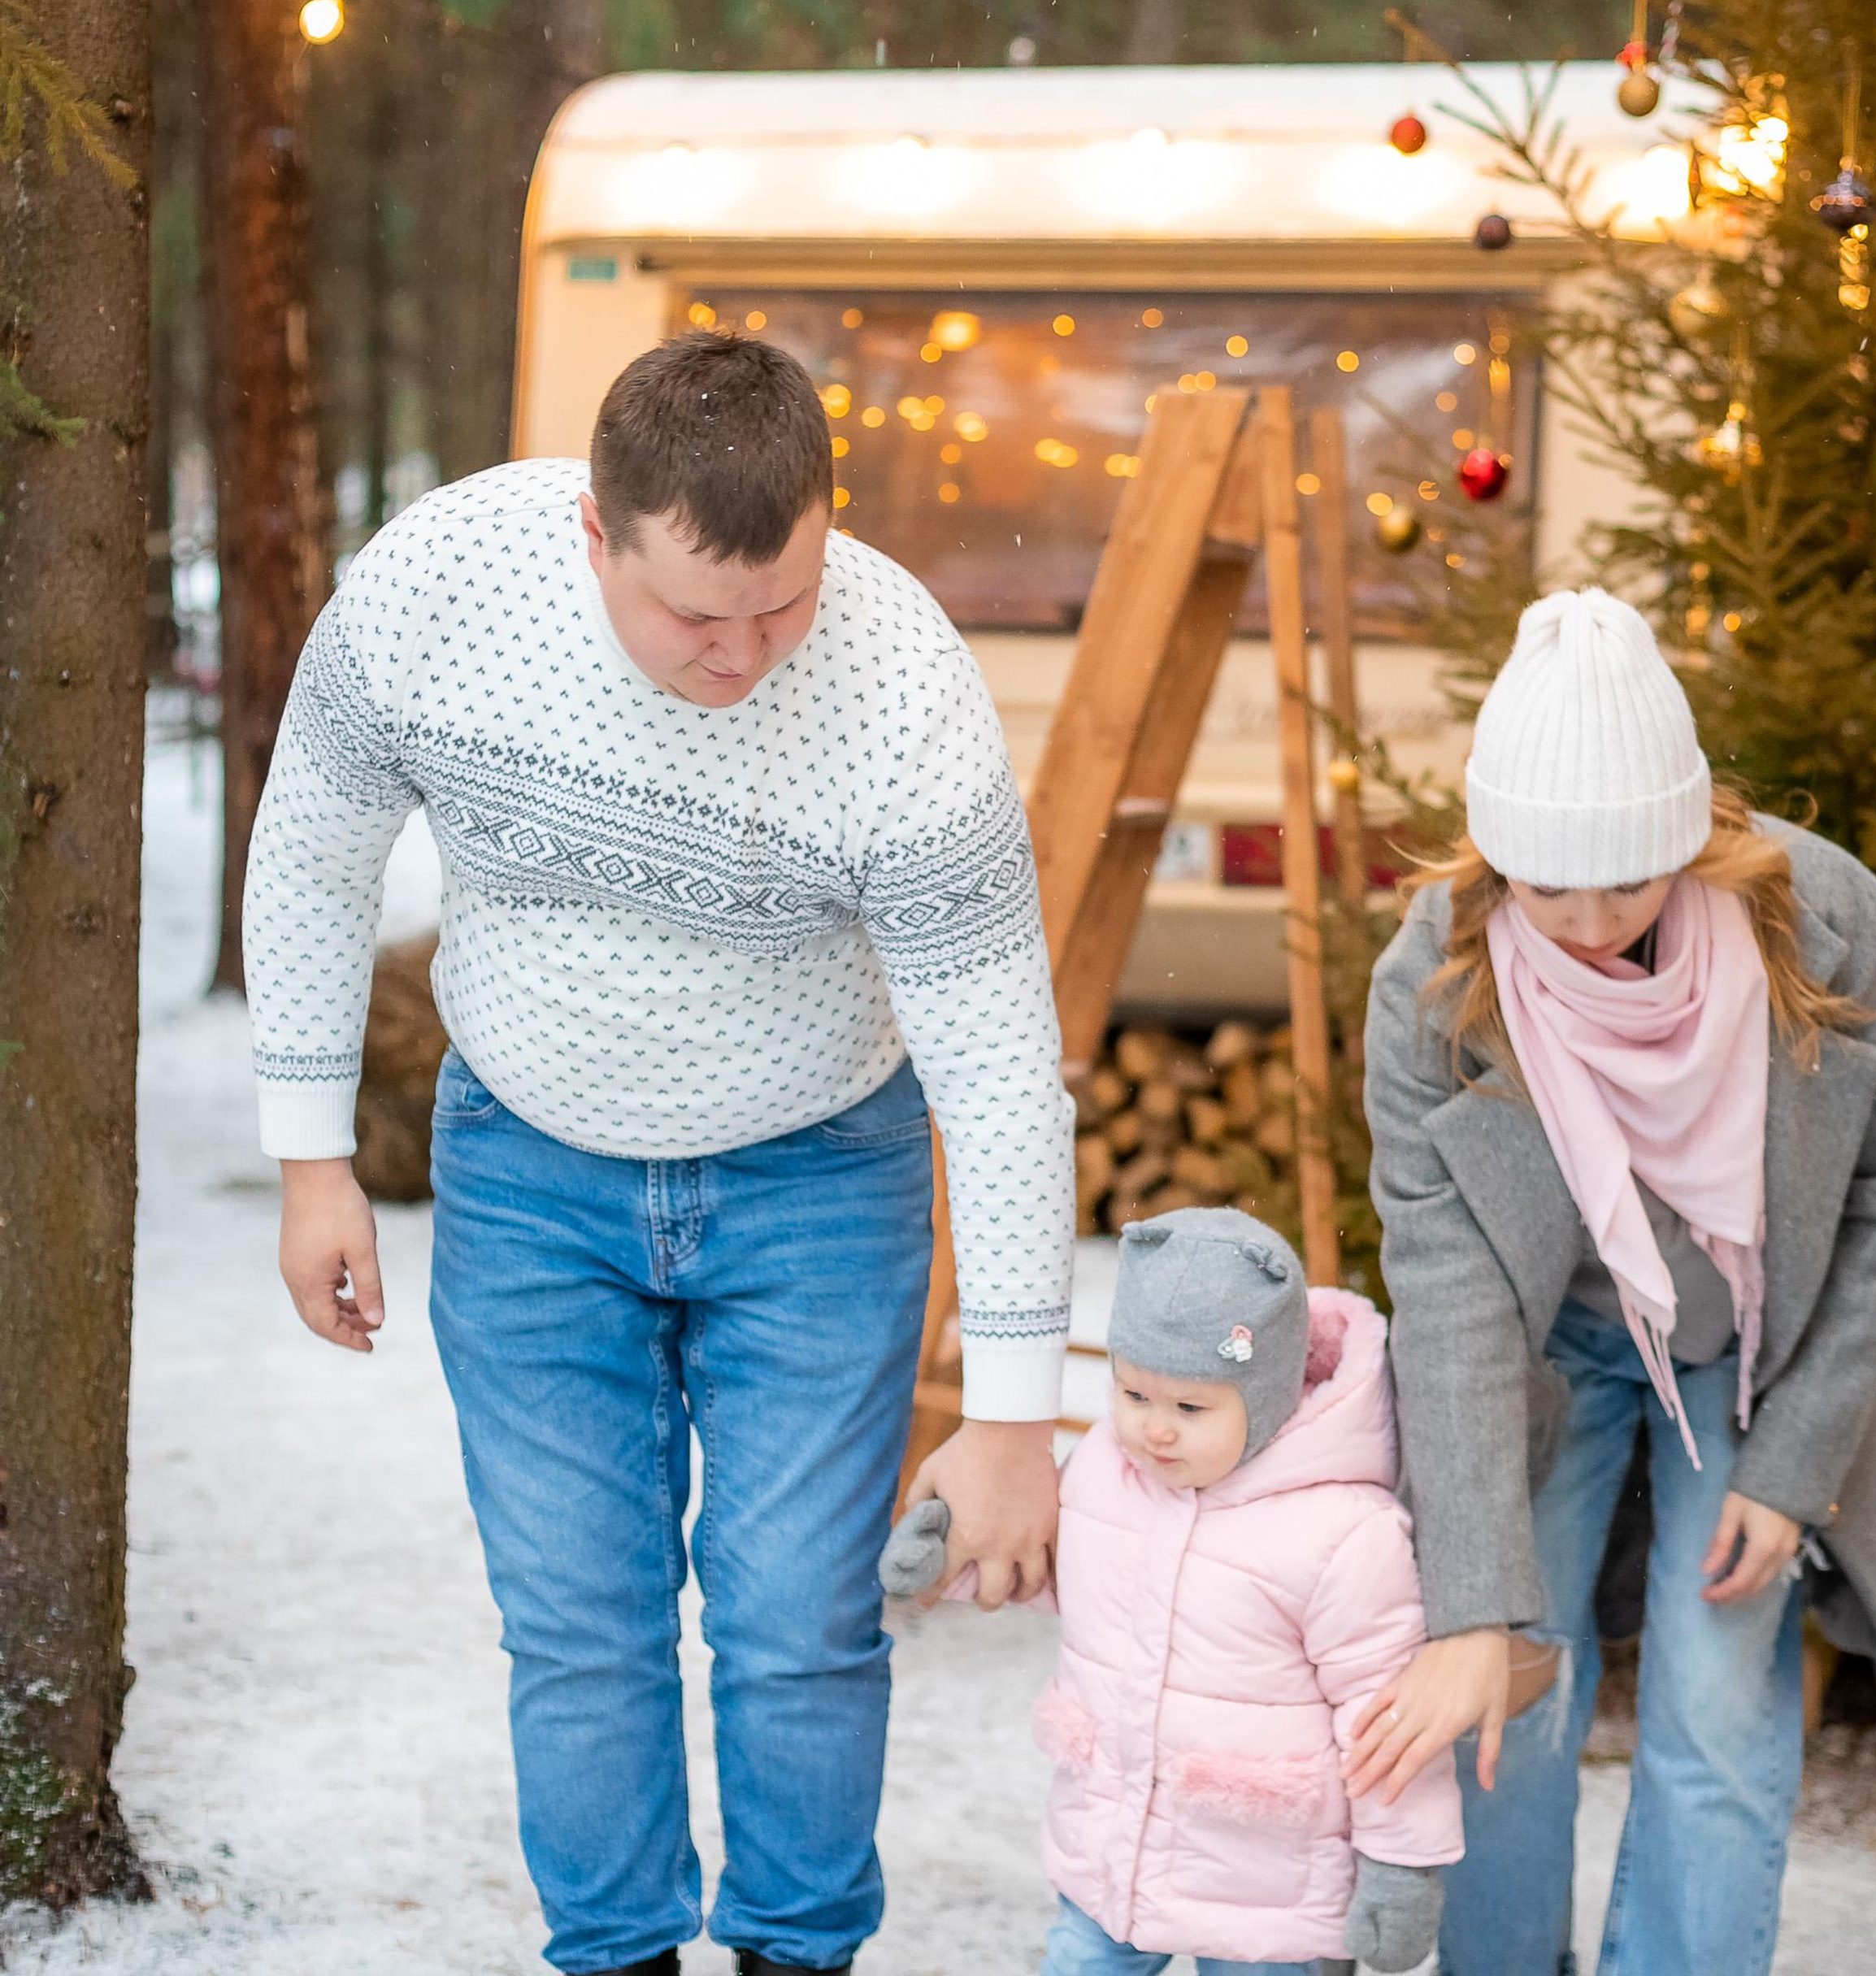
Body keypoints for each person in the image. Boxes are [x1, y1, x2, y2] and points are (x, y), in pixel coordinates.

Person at [242, 330, 1075, 1976]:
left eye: (782, 603)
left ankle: (793, 1952)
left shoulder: (902, 679)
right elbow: (313, 839)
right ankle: (611, 1951)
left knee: (797, 1627)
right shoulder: (441, 586)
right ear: (593, 536)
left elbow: (994, 1059)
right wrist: (308, 1157)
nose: (745, 652)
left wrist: (1011, 1414)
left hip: (817, 1181)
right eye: (696, 614)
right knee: (575, 1623)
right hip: (528, 1167)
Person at [1346, 588, 1876, 1976]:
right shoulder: (1432, 985)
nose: (1581, 921)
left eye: (1624, 881)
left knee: (1719, 1699)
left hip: (1753, 1350)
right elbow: (1444, 1290)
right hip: (1542, 1356)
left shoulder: (1828, 925)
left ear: (1689, 837)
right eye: (1543, 883)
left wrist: (1793, 1461)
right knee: (1508, 1682)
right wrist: (1469, 1606)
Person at [883, 1208, 1465, 1976]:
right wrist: (953, 1558)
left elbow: (1387, 1720)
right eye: (1133, 1395)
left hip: (1267, 1889)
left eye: (1191, 1408)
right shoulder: (1107, 1470)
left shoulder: (1343, 1533)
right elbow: (1065, 1574)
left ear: (1270, 1398)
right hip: (1113, 1851)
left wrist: (1401, 1867)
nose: (1154, 1431)